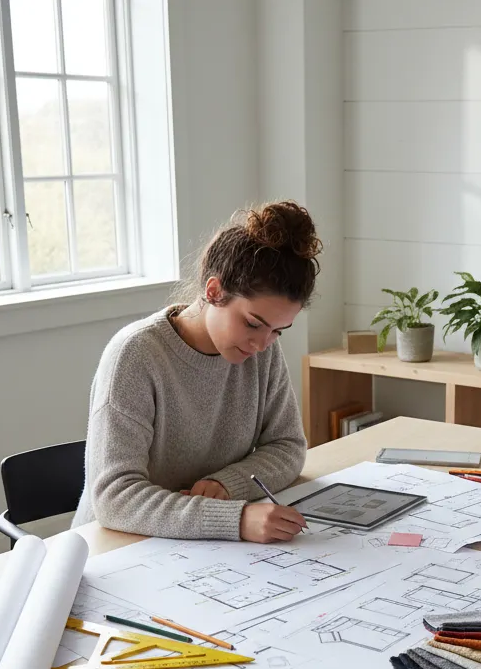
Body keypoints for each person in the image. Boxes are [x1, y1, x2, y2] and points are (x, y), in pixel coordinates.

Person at [73, 200, 315, 543]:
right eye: (252, 323)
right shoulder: (136, 355)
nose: (262, 344)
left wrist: (226, 484)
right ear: (214, 291)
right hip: (115, 547)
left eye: (278, 330)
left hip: (193, 549)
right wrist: (235, 519)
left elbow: (288, 446)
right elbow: (114, 498)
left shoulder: (261, 350)